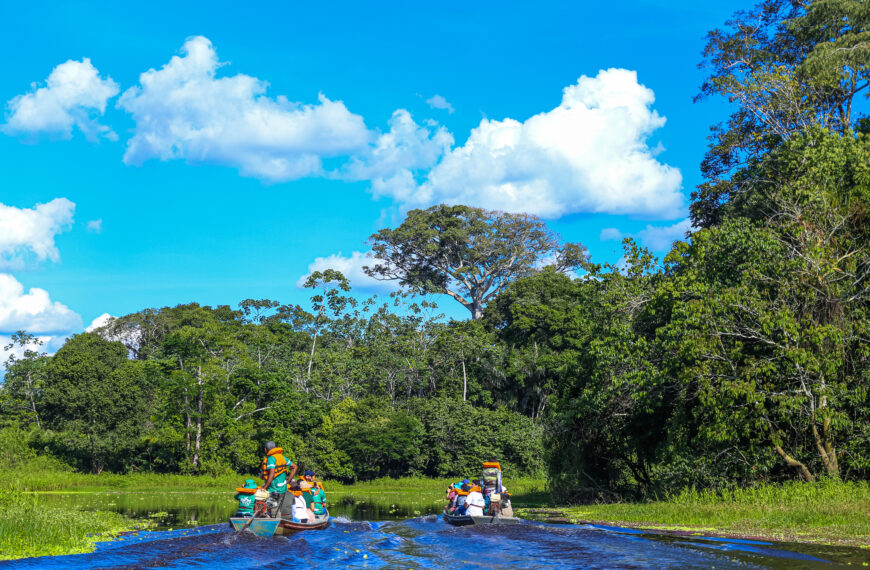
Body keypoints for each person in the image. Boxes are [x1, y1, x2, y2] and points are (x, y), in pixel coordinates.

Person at [260, 441, 297, 516]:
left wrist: (265, 487)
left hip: (273, 490)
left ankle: (266, 521)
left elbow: (272, 473)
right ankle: (277, 522)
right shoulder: (282, 457)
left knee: (262, 506)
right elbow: (295, 466)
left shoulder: (271, 458)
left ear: (265, 449)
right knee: (277, 511)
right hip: (283, 490)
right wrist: (288, 481)